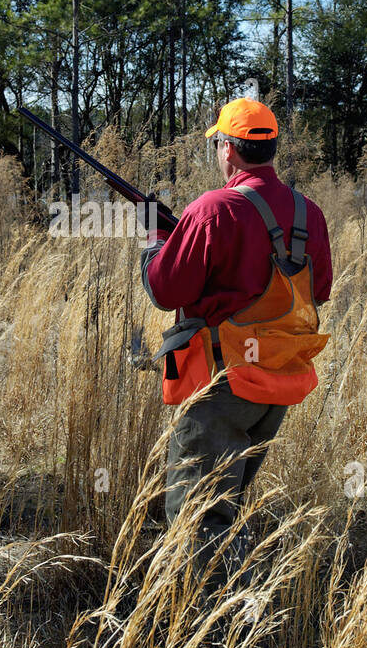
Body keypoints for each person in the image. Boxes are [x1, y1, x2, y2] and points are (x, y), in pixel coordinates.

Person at [139, 97, 333, 596]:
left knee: (198, 514)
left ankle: (207, 626)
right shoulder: (308, 213)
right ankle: (238, 610)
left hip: (222, 385)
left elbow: (166, 290)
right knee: (227, 505)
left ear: (228, 150)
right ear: (269, 148)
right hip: (275, 387)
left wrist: (155, 246)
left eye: (219, 143)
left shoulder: (212, 209)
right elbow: (320, 288)